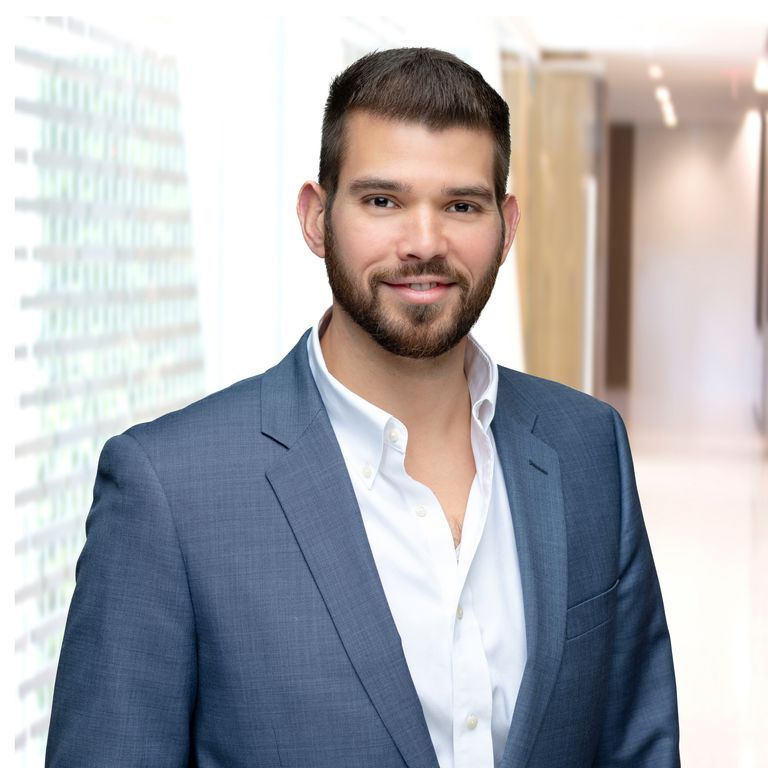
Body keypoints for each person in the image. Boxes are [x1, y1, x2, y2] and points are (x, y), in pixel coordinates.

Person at [46, 47, 679, 768]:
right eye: (383, 201)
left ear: (506, 226)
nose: (424, 243)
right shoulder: (169, 490)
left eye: (461, 206)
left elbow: (638, 744)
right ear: (316, 218)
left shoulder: (588, 448)